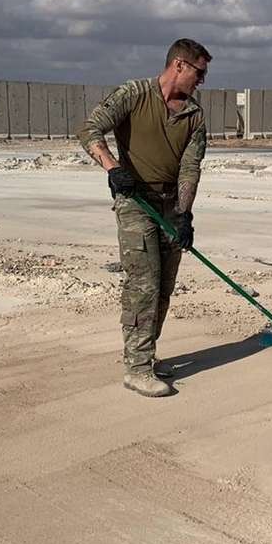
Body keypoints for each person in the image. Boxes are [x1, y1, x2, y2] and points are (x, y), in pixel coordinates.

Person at [79, 38, 210, 398]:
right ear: (179, 65)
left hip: (170, 204)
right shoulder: (134, 94)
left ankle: (146, 354)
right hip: (135, 200)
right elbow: (89, 130)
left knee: (164, 286)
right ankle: (136, 369)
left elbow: (190, 168)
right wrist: (113, 168)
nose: (202, 80)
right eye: (199, 72)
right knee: (144, 283)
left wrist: (184, 214)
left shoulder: (194, 115)